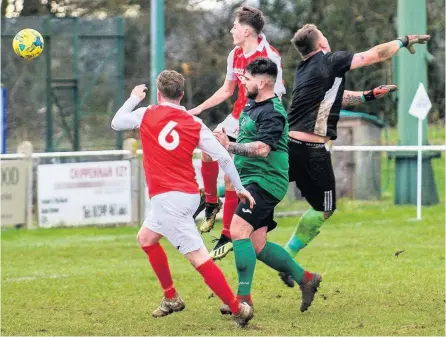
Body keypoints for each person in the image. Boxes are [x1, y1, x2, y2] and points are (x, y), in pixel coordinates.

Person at [279, 24, 429, 287]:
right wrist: (404, 40)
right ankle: (288, 259)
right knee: (325, 208)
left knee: (267, 189)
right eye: (325, 35)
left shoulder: (306, 69)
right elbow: (376, 55)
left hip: (291, 146)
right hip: (313, 152)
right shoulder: (331, 60)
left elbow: (337, 98)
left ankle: (217, 194)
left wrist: (368, 96)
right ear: (321, 43)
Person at [110, 70, 255, 327]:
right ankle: (171, 298)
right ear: (182, 94)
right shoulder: (194, 123)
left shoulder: (147, 113)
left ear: (158, 93)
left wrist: (133, 98)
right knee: (146, 238)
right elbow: (222, 156)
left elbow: (117, 122)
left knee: (199, 258)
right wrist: (240, 187)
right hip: (186, 195)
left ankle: (237, 309)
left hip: (169, 200)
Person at [213, 58, 322, 324]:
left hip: (265, 181)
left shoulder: (273, 111)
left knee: (238, 231)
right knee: (257, 245)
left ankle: (243, 301)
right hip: (252, 179)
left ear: (262, 82)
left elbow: (262, 149)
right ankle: (306, 279)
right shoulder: (253, 104)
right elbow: (250, 141)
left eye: (248, 79)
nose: (243, 82)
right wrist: (226, 142)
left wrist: (230, 146)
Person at [189, 6, 286, 261]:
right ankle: (211, 203)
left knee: (232, 175)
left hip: (254, 120)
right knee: (207, 151)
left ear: (245, 30)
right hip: (236, 117)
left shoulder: (270, 56)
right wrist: (198, 108)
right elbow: (226, 90)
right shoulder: (235, 54)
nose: (231, 30)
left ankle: (227, 234)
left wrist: (268, 126)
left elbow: (277, 94)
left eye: (234, 26)